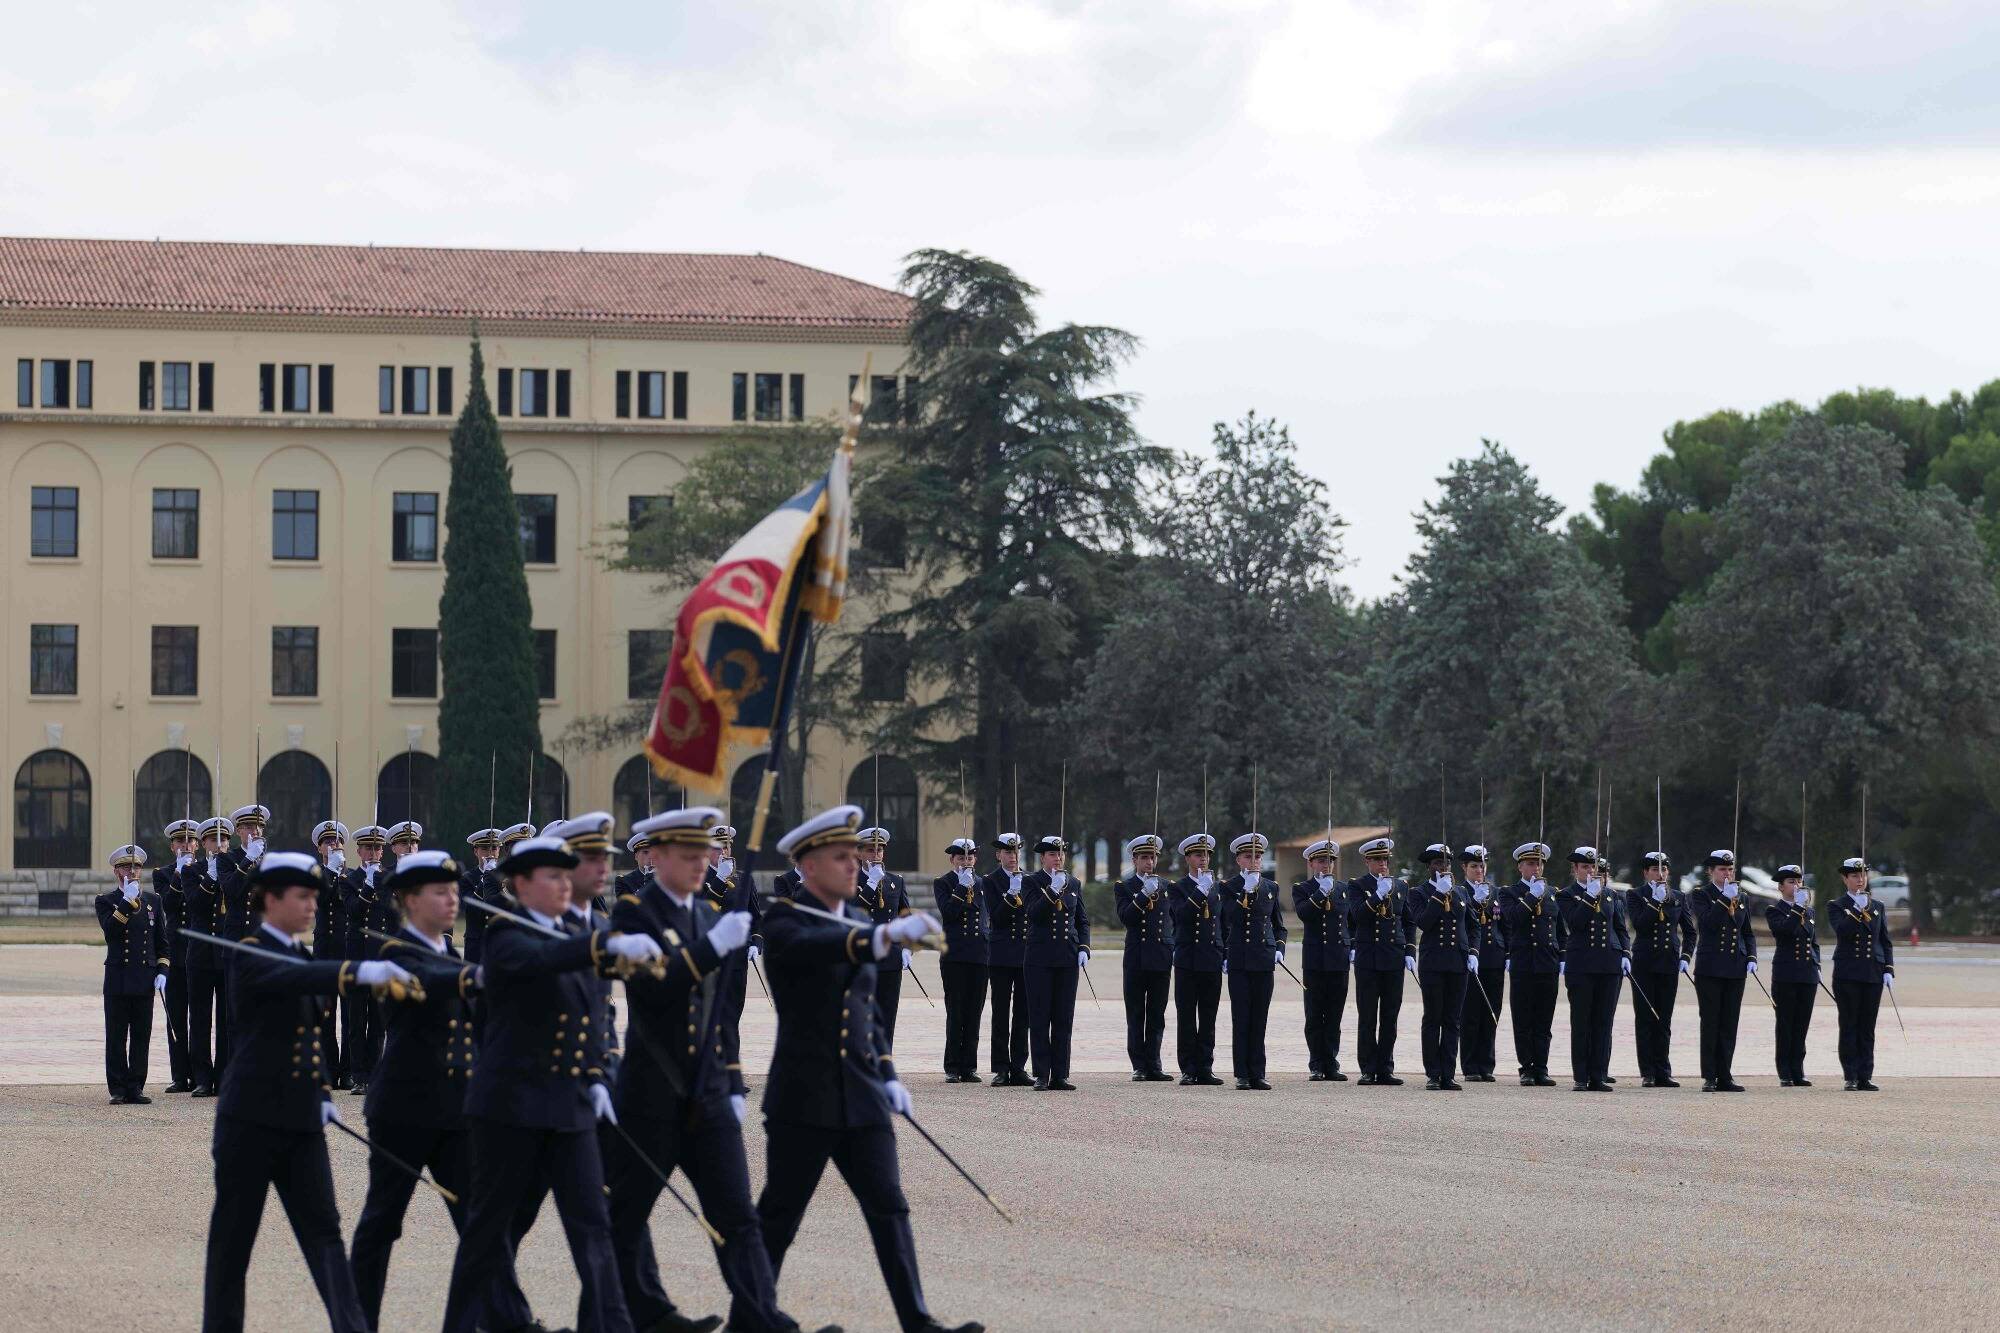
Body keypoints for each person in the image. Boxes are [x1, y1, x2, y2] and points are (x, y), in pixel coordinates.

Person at [756, 804, 981, 1333]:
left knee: (890, 1208)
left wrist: (886, 1069)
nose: (854, 863)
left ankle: (917, 1320)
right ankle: (754, 1313)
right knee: (780, 1216)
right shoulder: (785, 918)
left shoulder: (858, 918)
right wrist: (880, 940)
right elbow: (814, 948)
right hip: (804, 1098)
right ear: (808, 866)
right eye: (840, 856)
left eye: (855, 854)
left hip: (860, 1094)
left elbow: (866, 1013)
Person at [607, 807, 822, 1333]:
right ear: (657, 857)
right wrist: (711, 948)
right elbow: (653, 990)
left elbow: (723, 1012)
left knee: (737, 1218)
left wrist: (731, 1078)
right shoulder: (634, 913)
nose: (703, 862)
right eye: (689, 854)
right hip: (652, 1092)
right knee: (626, 1215)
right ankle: (638, 1313)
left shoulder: (708, 915)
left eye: (706, 852)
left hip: (706, 1093)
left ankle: (760, 1317)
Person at [437, 835, 663, 1333]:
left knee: (594, 1231)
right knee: (488, 1234)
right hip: (510, 1110)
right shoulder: (507, 934)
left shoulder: (578, 929)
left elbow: (594, 1010)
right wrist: (603, 943)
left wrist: (601, 1074)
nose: (565, 885)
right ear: (520, 884)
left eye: (568, 876)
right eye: (553, 877)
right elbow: (539, 960)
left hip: (570, 1105)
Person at [200, 852, 417, 1333]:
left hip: (300, 1121)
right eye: (303, 897)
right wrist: (355, 972)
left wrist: (320, 1088)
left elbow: (310, 1033)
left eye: (315, 897)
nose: (312, 906)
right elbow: (288, 981)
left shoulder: (301, 954)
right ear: (271, 899)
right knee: (232, 1244)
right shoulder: (250, 950)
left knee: (324, 1236)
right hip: (250, 1122)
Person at [347, 849, 495, 1330]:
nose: (452, 900)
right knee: (382, 1224)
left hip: (456, 1110)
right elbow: (428, 980)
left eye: (455, 891)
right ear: (409, 900)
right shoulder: (394, 952)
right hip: (404, 1111)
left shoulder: (447, 950)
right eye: (440, 892)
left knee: (476, 1224)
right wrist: (475, 976)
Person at [96, 844, 169, 1105]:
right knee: (116, 1036)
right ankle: (117, 1087)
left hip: (144, 978)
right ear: (117, 871)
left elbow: (162, 943)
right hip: (118, 978)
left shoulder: (153, 901)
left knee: (141, 1036)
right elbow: (111, 933)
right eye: (127, 866)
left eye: (137, 866)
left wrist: (162, 970)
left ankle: (136, 1086)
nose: (133, 870)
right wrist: (126, 902)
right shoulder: (106, 900)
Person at [1557, 847, 1629, 1092]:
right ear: (1575, 869)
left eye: (1593, 867)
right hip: (1582, 966)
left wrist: (1625, 953)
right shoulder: (1567, 895)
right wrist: (1589, 897)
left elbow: (1620, 929)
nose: (1590, 871)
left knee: (1603, 1022)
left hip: (1609, 965)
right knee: (1582, 1021)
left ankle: (1598, 1075)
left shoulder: (1610, 895)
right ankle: (1581, 1076)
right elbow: (1575, 924)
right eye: (1585, 867)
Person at [1022, 835, 1089, 1091]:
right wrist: (1051, 891)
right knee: (1040, 1016)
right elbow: (1033, 913)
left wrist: (1084, 946)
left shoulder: (1073, 882)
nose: (1058, 858)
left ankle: (1060, 1073)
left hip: (1067, 957)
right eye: (1052, 854)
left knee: (1063, 1017)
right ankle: (1041, 1073)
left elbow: (1081, 920)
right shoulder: (1031, 882)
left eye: (1060, 854)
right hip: (1039, 958)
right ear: (1043, 858)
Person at [1220, 832, 1286, 1091]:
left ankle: (1258, 1072)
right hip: (1240, 959)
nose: (1255, 861)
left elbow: (1279, 926)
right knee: (1242, 1017)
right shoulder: (1228, 886)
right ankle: (1242, 1074)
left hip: (1263, 958)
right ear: (1238, 859)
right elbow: (1228, 918)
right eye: (1249, 856)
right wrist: (1245, 892)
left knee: (1260, 1017)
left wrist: (1279, 947)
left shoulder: (1271, 887)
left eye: (1259, 856)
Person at [1347, 837, 1416, 1086]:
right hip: (1368, 959)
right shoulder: (1357, 886)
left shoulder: (1401, 886)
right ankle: (1367, 1068)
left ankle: (1385, 1067)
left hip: (1393, 958)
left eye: (1385, 859)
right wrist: (1377, 896)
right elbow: (1357, 916)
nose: (1383, 864)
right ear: (1367, 861)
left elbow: (1408, 921)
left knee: (1390, 1016)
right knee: (1367, 1016)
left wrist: (1410, 951)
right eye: (1377, 860)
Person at [1409, 843, 1478, 1091]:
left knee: (1452, 1019)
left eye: (1447, 863)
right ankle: (1433, 1073)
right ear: (1429, 867)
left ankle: (1448, 1073)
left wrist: (1473, 952)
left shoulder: (1461, 893)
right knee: (1433, 1018)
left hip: (1458, 963)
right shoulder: (1419, 893)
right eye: (1438, 863)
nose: (1444, 867)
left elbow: (1473, 926)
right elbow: (1424, 923)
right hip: (1433, 964)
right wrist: (1438, 895)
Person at [1688, 849, 1757, 1092]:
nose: (1727, 874)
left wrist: (1751, 956)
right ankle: (1710, 1075)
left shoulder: (1742, 896)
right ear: (1711, 872)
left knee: (1729, 1022)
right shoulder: (1701, 895)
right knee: (1711, 1022)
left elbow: (1747, 931)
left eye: (1730, 869)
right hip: (1711, 968)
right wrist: (1724, 899)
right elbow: (1707, 924)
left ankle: (1725, 1074)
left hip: (1735, 967)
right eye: (1722, 870)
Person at [185, 815, 244, 1097]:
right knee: (199, 1017)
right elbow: (195, 905)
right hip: (200, 954)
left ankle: (223, 1076)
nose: (218, 845)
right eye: (212, 840)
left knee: (226, 1018)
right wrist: (209, 877)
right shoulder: (192, 870)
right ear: (203, 843)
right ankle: (201, 1078)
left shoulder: (233, 868)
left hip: (224, 952)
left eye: (223, 840)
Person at [1627, 851, 1693, 1087]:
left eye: (1664, 869)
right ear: (1646, 873)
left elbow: (1689, 931)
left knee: (1664, 1019)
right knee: (1645, 1018)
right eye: (1655, 869)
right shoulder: (1635, 895)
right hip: (1644, 964)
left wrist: (1685, 955)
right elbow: (1640, 925)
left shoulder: (1678, 897)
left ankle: (1663, 1070)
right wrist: (1655, 901)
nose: (1660, 873)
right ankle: (1648, 1072)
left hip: (1668, 963)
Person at [1499, 842, 1562, 1087]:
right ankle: (1527, 1067)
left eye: (1539, 863)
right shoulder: (1509, 893)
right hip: (1524, 963)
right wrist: (1531, 896)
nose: (1536, 868)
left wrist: (1562, 957)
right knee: (1523, 1019)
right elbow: (1513, 919)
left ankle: (1542, 1068)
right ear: (1520, 867)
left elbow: (1559, 929)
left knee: (1544, 1020)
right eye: (1530, 863)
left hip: (1547, 963)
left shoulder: (1552, 892)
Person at [342, 825, 398, 1095]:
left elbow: (392, 911)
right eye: (369, 848)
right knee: (355, 1019)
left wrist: (380, 882)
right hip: (356, 955)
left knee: (377, 1019)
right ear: (359, 851)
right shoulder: (349, 879)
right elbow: (353, 910)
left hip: (379, 956)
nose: (374, 853)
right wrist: (367, 883)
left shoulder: (388, 879)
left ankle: (374, 1074)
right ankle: (358, 1075)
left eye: (378, 848)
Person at [1114, 834, 1174, 1082]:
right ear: (1135, 860)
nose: (1149, 862)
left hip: (1160, 956)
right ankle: (1139, 1064)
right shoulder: (1124, 886)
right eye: (1144, 858)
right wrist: (1141, 896)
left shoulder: (1167, 886)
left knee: (1157, 1014)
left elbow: (1174, 920)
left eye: (1152, 857)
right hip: (1137, 957)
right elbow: (1126, 918)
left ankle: (1155, 1063)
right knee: (1137, 1013)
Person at [1831, 857, 1894, 1092]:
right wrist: (1856, 911)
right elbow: (1842, 932)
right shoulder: (1837, 905)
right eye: (1855, 876)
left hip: (1872, 972)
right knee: (1849, 1024)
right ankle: (1851, 1075)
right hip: (1848, 973)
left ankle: (1865, 1074)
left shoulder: (1877, 906)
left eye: (1863, 875)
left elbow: (1884, 941)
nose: (1860, 880)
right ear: (1845, 879)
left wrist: (1888, 968)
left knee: (1867, 1026)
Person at [1168, 833, 1225, 1086]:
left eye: (1206, 855)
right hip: (1187, 959)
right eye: (1198, 855)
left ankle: (1206, 1066)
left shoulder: (1218, 887)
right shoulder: (1178, 887)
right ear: (1188, 859)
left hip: (1211, 957)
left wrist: (1224, 952)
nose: (1203, 859)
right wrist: (1199, 892)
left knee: (1209, 1015)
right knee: (1187, 1016)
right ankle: (1188, 1068)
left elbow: (1223, 922)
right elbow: (1181, 916)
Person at [1292, 839, 1350, 1082]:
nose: (1327, 865)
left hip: (1339, 959)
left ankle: (1331, 1062)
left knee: (1335, 1015)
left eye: (1330, 861)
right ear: (1311, 863)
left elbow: (1352, 922)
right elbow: (1305, 913)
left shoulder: (1344, 888)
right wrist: (1320, 892)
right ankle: (1316, 1063)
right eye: (1322, 861)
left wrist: (1352, 946)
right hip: (1315, 960)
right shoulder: (1303, 888)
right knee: (1315, 1014)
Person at [935, 837, 991, 1083]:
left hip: (979, 954)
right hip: (955, 954)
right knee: (955, 1010)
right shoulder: (944, 883)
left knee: (974, 1011)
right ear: (952, 860)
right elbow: (948, 914)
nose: (966, 862)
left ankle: (969, 1066)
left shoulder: (982, 884)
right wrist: (960, 888)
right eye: (961, 858)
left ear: (975, 859)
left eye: (969, 857)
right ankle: (952, 1066)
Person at [979, 833, 1032, 1087]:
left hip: (1025, 954)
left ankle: (1019, 1066)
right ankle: (1001, 1067)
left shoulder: (1030, 879)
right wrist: (1011, 895)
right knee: (1000, 1012)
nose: (1012, 857)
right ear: (998, 855)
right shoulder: (990, 881)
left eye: (1015, 852)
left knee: (1023, 1014)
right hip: (1000, 954)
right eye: (1007, 853)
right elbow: (997, 918)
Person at [702, 822, 764, 1029]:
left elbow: (755, 915)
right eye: (717, 847)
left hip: (737, 956)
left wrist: (756, 942)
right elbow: (704, 909)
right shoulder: (697, 877)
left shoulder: (744, 879)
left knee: (732, 1015)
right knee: (708, 1016)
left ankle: (730, 1059)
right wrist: (719, 878)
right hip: (709, 956)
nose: (723, 851)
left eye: (726, 846)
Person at [857, 826, 914, 1046]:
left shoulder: (895, 881)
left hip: (890, 957)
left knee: (887, 1014)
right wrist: (870, 883)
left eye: (880, 849)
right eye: (870, 850)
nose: (876, 854)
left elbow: (905, 917)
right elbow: (852, 911)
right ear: (859, 853)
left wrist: (907, 947)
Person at [1764, 865, 1818, 1087]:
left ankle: (1798, 1069)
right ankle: (1784, 1070)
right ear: (1780, 886)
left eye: (1799, 882)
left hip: (1807, 973)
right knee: (1786, 1023)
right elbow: (1785, 931)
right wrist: (1797, 908)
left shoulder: (1809, 911)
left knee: (1801, 1024)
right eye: (1791, 882)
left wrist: (1817, 965)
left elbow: (1812, 942)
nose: (1796, 886)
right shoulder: (1774, 910)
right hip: (1786, 973)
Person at [158, 818, 200, 1094]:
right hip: (175, 950)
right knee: (176, 1014)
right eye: (179, 841)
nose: (185, 845)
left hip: (198, 951)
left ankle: (199, 1074)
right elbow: (169, 905)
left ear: (197, 845)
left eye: (189, 841)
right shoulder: (162, 873)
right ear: (173, 846)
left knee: (198, 1015)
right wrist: (178, 875)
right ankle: (179, 1075)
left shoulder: (206, 870)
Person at [1458, 846, 1506, 1082]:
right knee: (1470, 1013)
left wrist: (1506, 954)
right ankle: (1470, 1065)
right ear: (1464, 868)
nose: (1479, 870)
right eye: (1474, 866)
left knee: (1491, 1011)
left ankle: (1486, 1064)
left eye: (1482, 865)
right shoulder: (1459, 892)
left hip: (1494, 958)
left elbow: (1503, 926)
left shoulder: (1495, 892)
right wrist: (1474, 904)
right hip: (1471, 959)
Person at [312, 821, 351, 1088]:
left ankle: (347, 1070)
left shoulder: (356, 876)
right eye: (327, 842)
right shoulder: (315, 875)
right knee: (326, 1013)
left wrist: (340, 872)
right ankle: (328, 1067)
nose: (333, 846)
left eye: (336, 842)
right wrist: (329, 871)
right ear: (319, 848)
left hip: (347, 950)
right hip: (324, 950)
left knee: (350, 1014)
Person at [459, 828, 504, 965]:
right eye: (485, 849)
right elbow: (469, 907)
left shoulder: (505, 875)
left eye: (494, 848)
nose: (490, 854)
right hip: (477, 943)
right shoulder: (467, 878)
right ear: (475, 851)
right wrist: (485, 878)